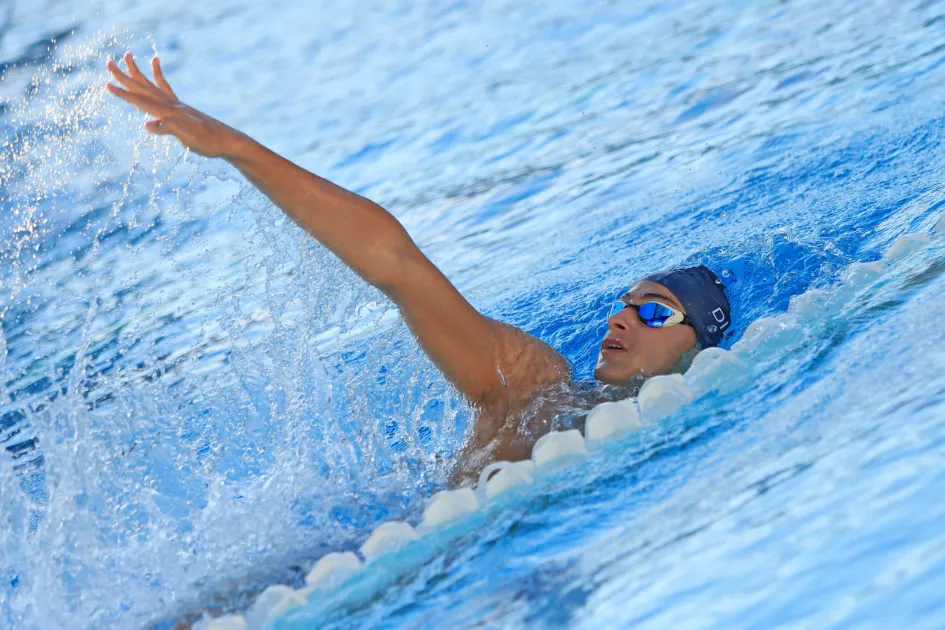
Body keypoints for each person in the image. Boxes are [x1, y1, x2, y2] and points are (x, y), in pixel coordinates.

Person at [105, 52, 732, 484]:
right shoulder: (537, 382)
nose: (623, 319)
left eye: (653, 311)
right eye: (623, 304)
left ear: (697, 344)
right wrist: (236, 148)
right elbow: (398, 267)